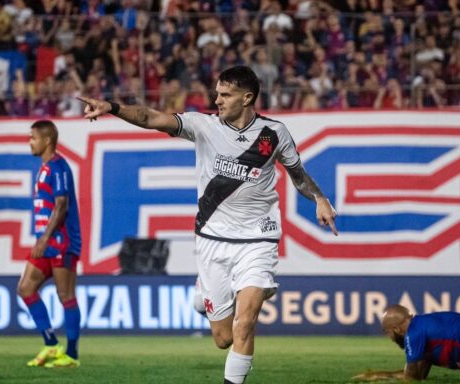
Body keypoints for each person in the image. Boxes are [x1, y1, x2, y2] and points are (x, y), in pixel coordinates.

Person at [78, 65, 338, 384]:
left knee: (245, 326)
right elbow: (149, 117)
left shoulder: (275, 133)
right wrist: (112, 108)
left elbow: (298, 175)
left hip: (259, 240)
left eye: (225, 95)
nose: (217, 100)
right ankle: (206, 290)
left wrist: (320, 199)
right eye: (217, 93)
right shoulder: (202, 126)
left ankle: (249, 295)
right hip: (212, 241)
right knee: (223, 338)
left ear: (247, 98)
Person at [17, 120, 82, 368]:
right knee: (25, 288)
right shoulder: (44, 168)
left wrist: (44, 238)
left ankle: (73, 355)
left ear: (46, 141)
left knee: (65, 294)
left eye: (33, 137)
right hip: (46, 242)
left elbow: (62, 205)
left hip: (62, 241)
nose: (30, 142)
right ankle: (52, 344)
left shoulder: (59, 167)